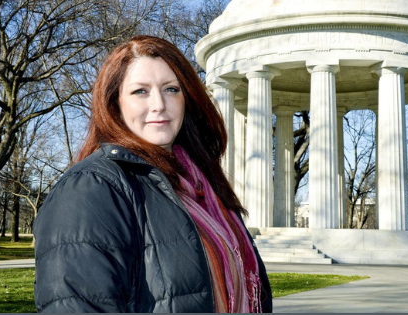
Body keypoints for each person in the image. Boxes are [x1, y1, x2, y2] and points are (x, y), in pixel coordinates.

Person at [33, 35, 273, 313]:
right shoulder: (91, 188)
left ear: (188, 98)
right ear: (115, 103)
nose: (159, 104)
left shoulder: (204, 188)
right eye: (140, 91)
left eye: (171, 89)